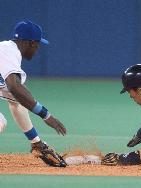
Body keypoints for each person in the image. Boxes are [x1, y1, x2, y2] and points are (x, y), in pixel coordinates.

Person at [0, 20, 67, 167]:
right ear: (31, 43)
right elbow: (16, 88)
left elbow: (17, 101)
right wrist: (47, 116)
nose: (37, 48)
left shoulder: (6, 54)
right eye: (37, 44)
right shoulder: (8, 51)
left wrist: (36, 142)